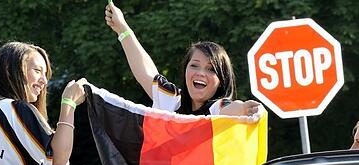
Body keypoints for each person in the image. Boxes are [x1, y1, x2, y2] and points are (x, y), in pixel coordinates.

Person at [105, 2, 260, 117]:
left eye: (211, 69)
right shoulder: (172, 101)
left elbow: (231, 109)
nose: (200, 73)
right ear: (185, 69)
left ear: (222, 80)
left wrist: (244, 109)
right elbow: (145, 72)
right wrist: (122, 29)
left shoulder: (217, 109)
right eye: (194, 65)